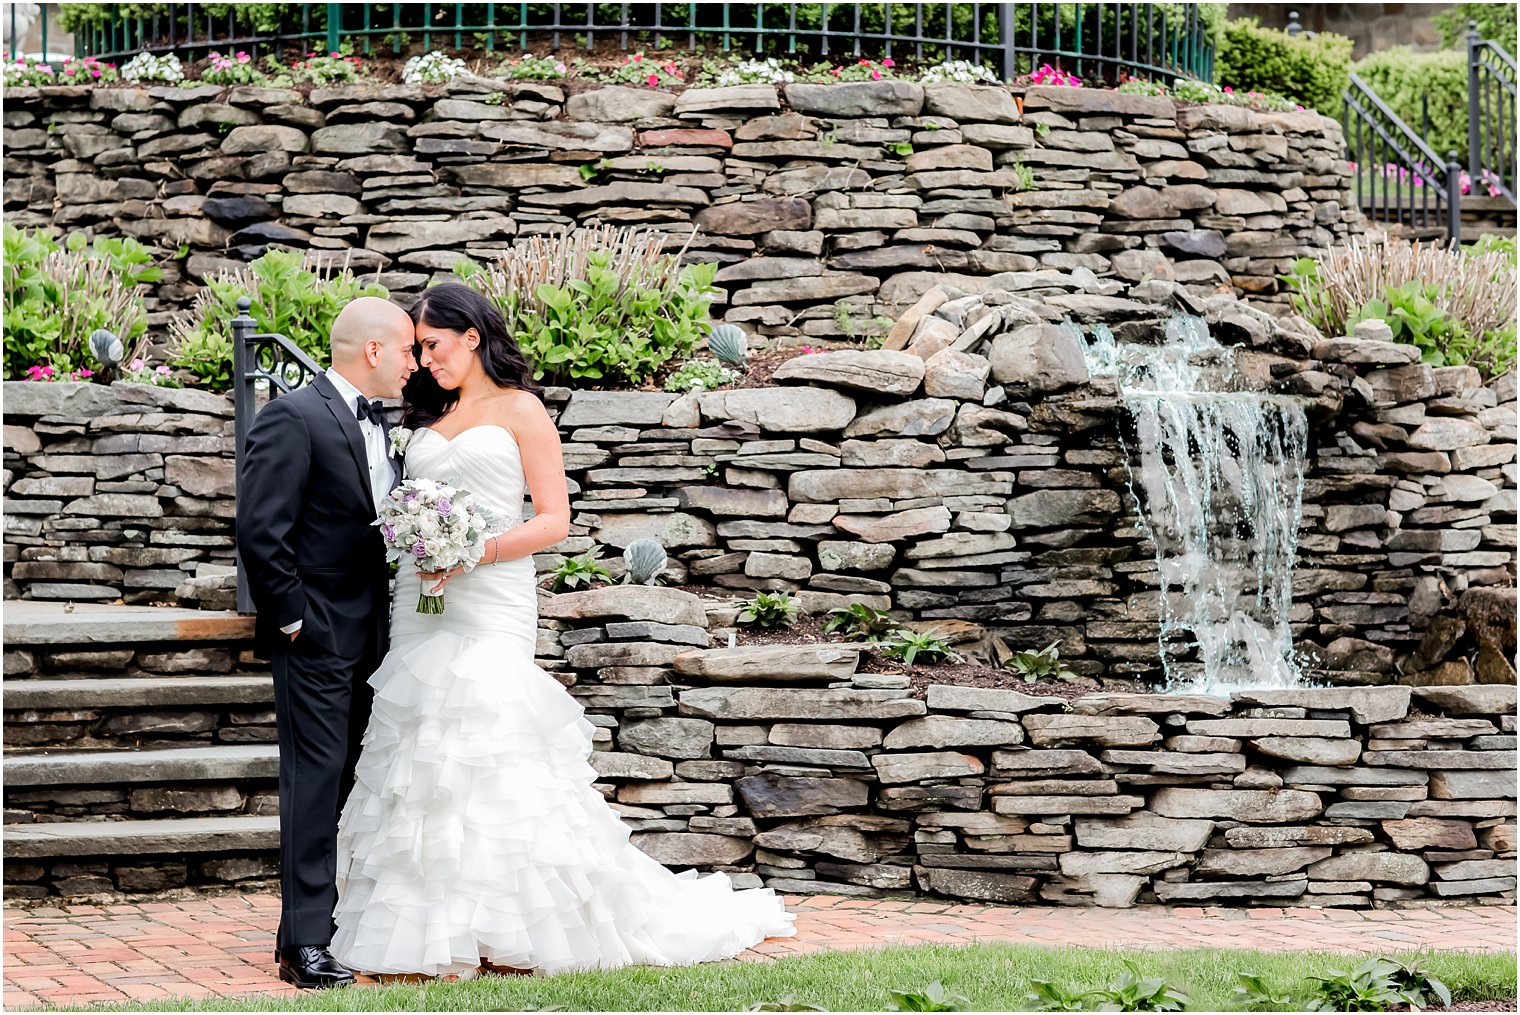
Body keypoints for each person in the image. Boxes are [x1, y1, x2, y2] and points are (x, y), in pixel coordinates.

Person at [330, 283, 795, 978]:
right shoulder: (427, 413)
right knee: (423, 757)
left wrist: (474, 551)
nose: (423, 360)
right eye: (417, 348)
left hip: (491, 598)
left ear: (472, 337)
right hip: (422, 602)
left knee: (491, 751)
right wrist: (421, 545)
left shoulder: (522, 410)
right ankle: (438, 929)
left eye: (432, 344)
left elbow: (554, 519)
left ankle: (519, 930)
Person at [236, 297, 419, 989]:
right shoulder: (295, 414)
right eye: (406, 350)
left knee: (350, 781)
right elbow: (261, 528)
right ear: (373, 350)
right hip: (315, 635)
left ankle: (319, 924)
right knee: (313, 783)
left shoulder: (383, 424)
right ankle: (304, 945)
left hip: (376, 631)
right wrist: (293, 621)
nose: (414, 363)